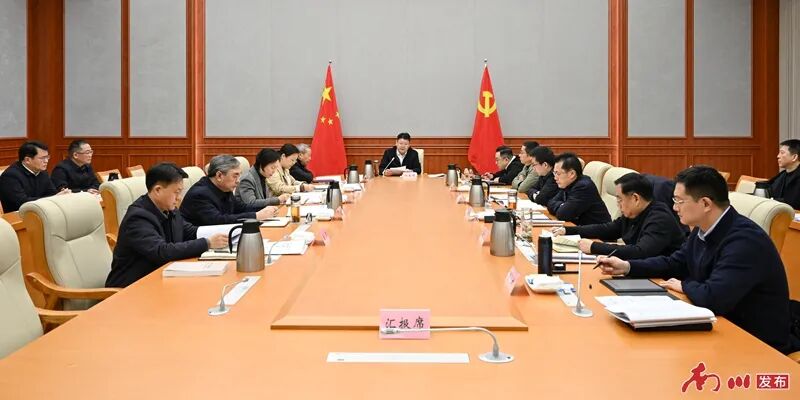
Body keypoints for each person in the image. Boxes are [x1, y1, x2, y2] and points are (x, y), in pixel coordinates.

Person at [597, 166, 800, 354]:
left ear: (705, 204)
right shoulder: (703, 229)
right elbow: (674, 263)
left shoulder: (745, 241)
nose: (674, 207)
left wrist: (684, 285)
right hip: (719, 327)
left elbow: (713, 297)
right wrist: (627, 266)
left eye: (679, 201)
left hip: (755, 344)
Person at [105, 163, 228, 288]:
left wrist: (226, 232)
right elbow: (161, 251)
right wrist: (207, 243)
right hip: (131, 288)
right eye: (176, 192)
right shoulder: (138, 218)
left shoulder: (169, 209)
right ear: (158, 190)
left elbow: (188, 231)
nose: (179, 198)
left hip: (161, 278)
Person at [552, 172, 685, 259]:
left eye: (620, 199)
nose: (618, 204)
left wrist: (593, 247)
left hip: (662, 279)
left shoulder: (659, 218)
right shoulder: (634, 213)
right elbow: (609, 229)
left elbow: (640, 252)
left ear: (635, 198)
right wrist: (568, 230)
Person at [181, 155, 278, 226]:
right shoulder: (200, 195)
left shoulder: (223, 188)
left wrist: (265, 209)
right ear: (219, 176)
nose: (238, 181)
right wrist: (256, 216)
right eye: (235, 176)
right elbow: (218, 221)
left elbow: (240, 208)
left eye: (239, 175)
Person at [0, 141, 69, 212]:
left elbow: (51, 192)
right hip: (17, 215)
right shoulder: (10, 176)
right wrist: (54, 197)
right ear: (27, 160)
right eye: (42, 158)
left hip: (40, 211)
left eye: (47, 157)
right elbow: (22, 202)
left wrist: (60, 195)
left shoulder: (42, 172)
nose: (46, 161)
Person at [546, 152, 610, 225]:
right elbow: (550, 203)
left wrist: (562, 206)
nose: (555, 178)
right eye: (554, 173)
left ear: (572, 174)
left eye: (558, 173)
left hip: (596, 231)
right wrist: (562, 205)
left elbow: (563, 214)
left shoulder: (583, 187)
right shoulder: (567, 184)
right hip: (581, 228)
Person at [767, 139, 800, 210]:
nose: (778, 156)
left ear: (794, 157)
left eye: (782, 153)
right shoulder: (782, 175)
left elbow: (793, 202)